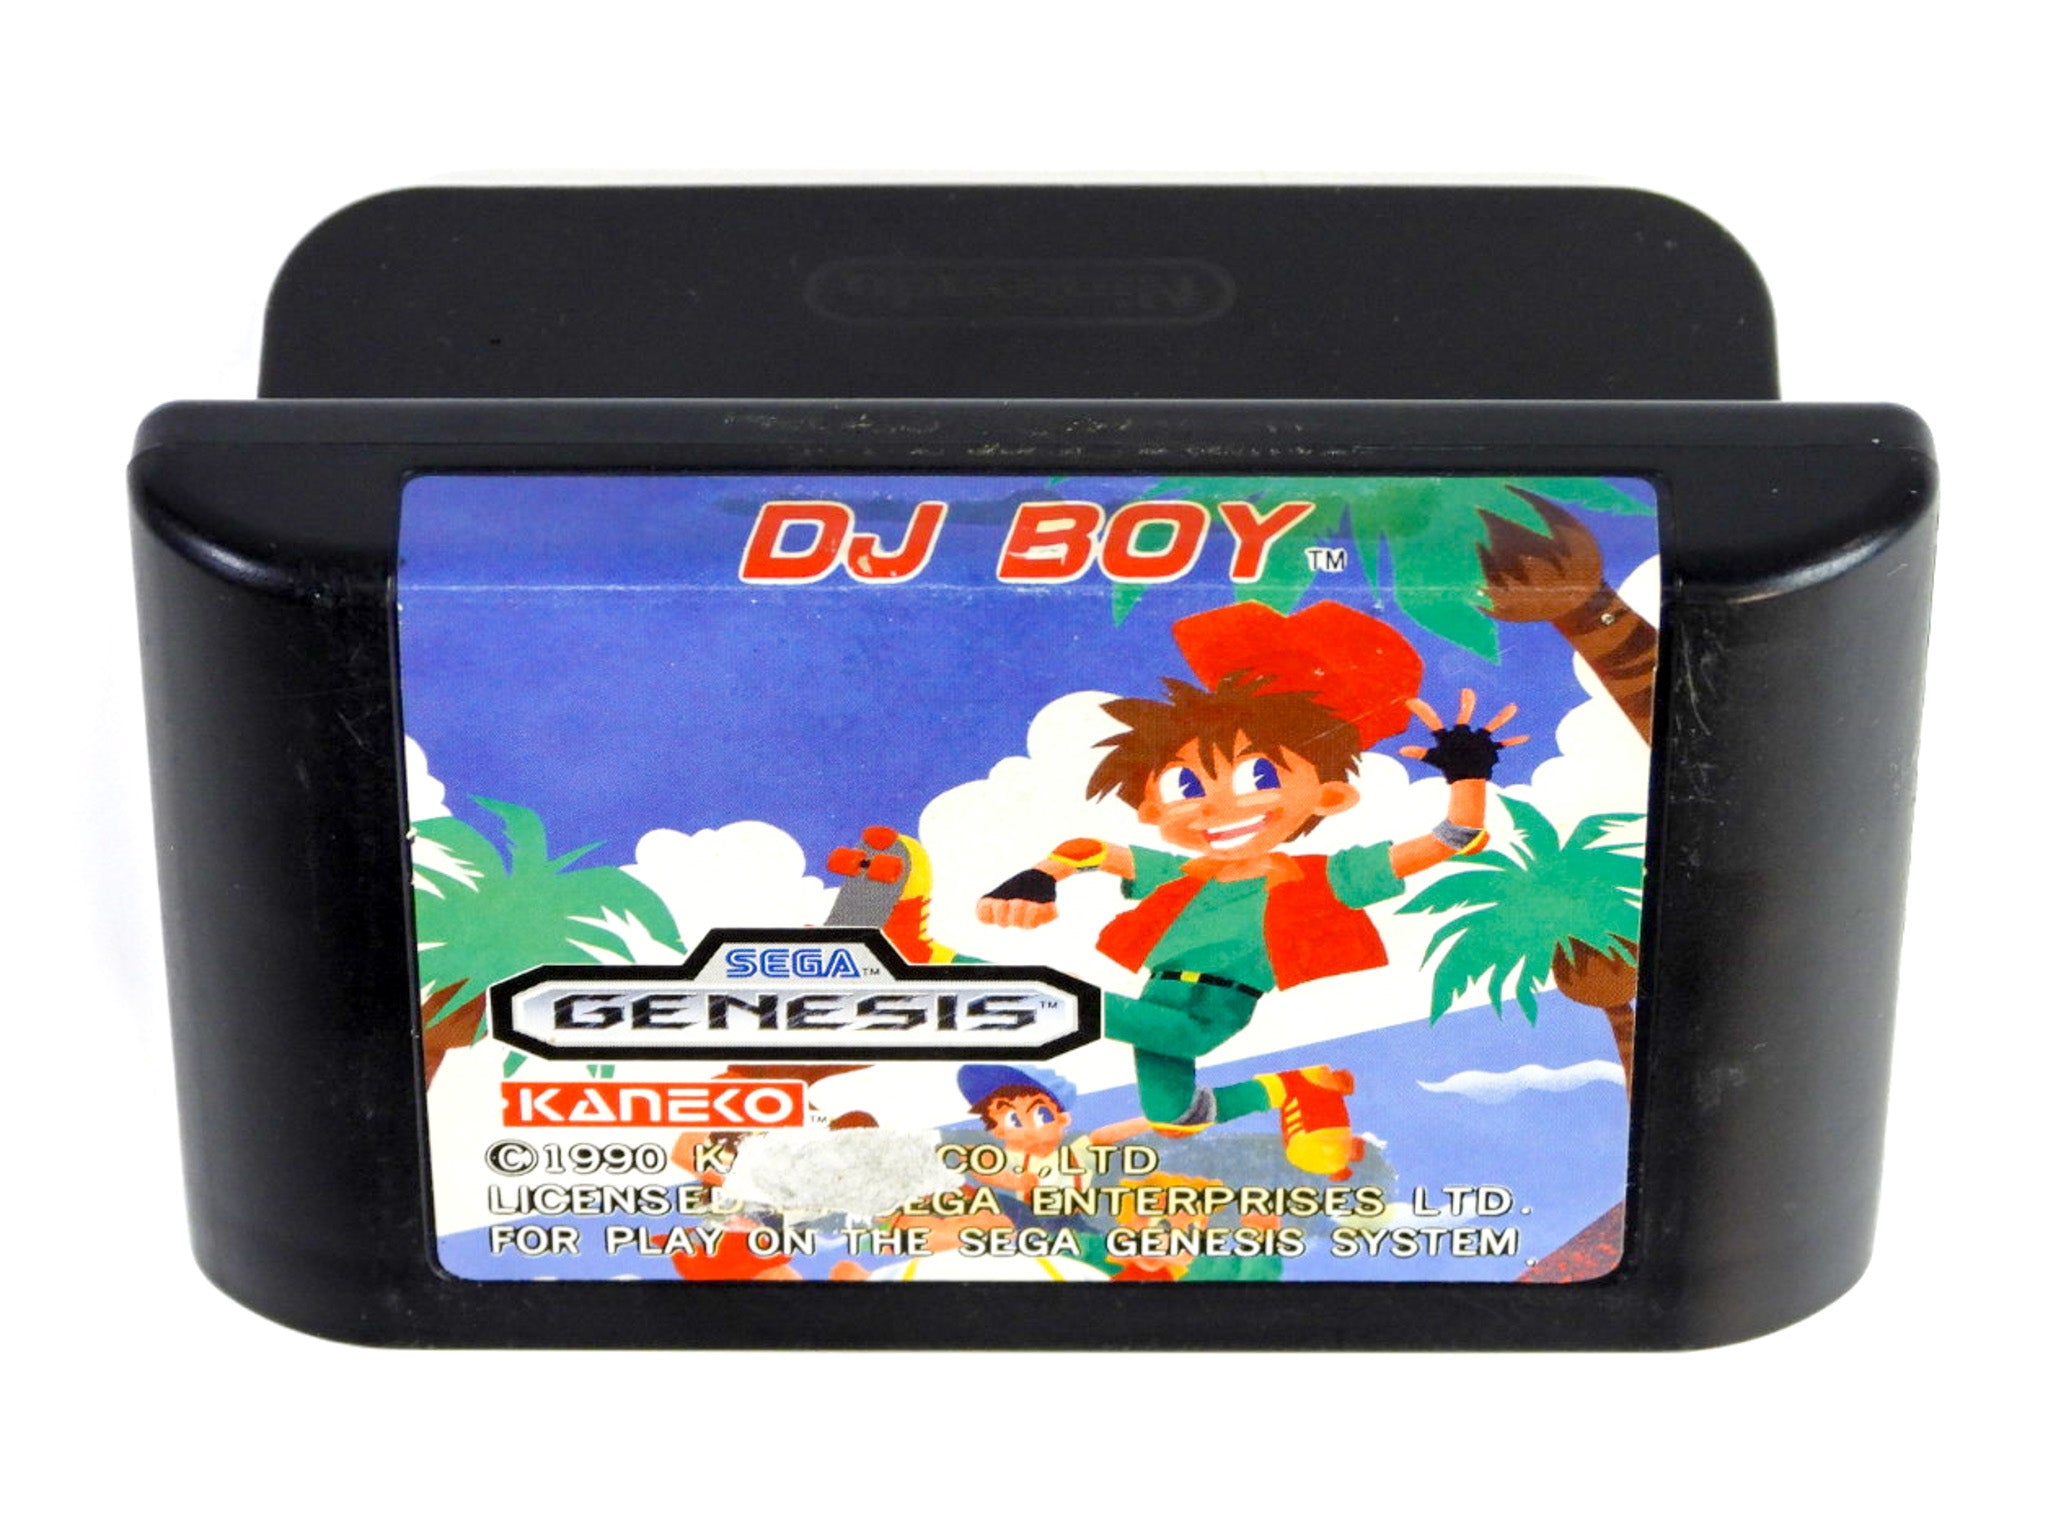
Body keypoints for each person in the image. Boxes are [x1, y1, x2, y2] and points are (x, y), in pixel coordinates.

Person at [978, 601, 1521, 1180]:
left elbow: (1448, 840)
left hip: (1217, 1006)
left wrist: (1467, 777)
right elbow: (1093, 850)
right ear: (1152, 809)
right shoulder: (1182, 873)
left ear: (1329, 796)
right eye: (1185, 786)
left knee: (1125, 1021)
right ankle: (1292, 1086)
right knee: (1175, 1117)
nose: (1218, 807)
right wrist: (1040, 876)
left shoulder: (1324, 877)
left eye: (1257, 778)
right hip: (1156, 993)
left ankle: (979, 976)